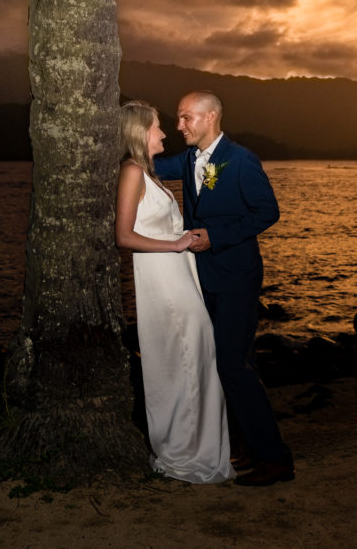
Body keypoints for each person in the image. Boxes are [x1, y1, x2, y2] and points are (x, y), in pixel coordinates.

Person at [154, 90, 294, 486]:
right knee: (229, 363)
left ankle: (275, 459)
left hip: (235, 277)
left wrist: (215, 236)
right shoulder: (186, 159)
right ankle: (247, 447)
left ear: (211, 116)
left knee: (232, 364)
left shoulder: (241, 160)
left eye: (186, 118)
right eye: (178, 119)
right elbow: (149, 166)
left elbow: (268, 211)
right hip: (201, 278)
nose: (179, 126)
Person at [115, 100, 234, 484]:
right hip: (163, 278)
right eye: (156, 127)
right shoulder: (132, 171)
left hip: (179, 276)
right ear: (139, 132)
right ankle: (183, 453)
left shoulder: (149, 173)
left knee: (195, 356)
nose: (164, 133)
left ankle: (198, 449)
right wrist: (176, 244)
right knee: (184, 356)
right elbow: (123, 235)